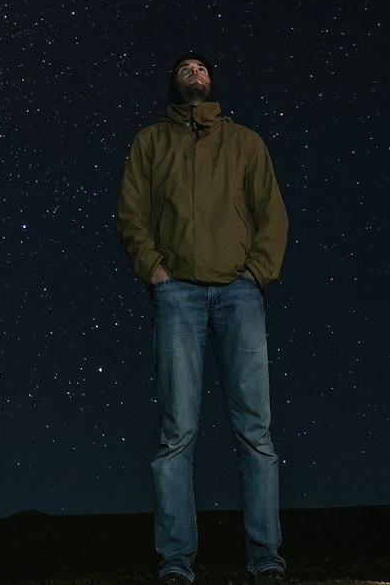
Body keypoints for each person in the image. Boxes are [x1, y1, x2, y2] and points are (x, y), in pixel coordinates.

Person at [116, 53, 289, 583]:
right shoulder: (150, 142)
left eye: (202, 67)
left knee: (255, 432)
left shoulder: (246, 142)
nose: (194, 71)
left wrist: (257, 273)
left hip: (239, 293)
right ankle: (175, 562)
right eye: (184, 67)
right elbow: (132, 213)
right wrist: (155, 272)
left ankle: (266, 560)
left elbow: (271, 214)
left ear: (212, 81)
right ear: (173, 82)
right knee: (177, 435)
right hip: (178, 297)